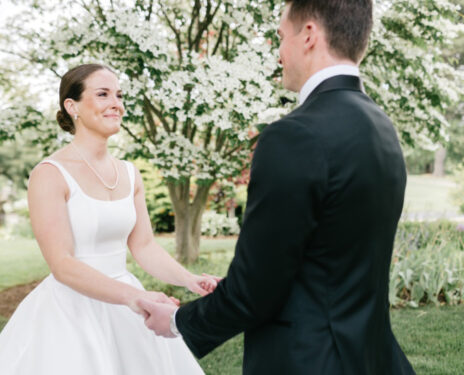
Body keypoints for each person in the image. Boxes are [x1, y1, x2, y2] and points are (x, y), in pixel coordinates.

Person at [139, 1, 416, 373]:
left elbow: (256, 291)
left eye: (280, 37)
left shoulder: (294, 135)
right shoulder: (382, 128)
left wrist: (176, 322)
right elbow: (325, 256)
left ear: (309, 36)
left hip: (307, 361)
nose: (278, 52)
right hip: (374, 359)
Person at [0, 64, 218, 374]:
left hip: (128, 306)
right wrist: (136, 297)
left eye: (118, 95)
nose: (116, 103)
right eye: (102, 94)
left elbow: (143, 246)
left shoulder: (130, 174)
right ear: (71, 106)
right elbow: (62, 264)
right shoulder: (49, 174)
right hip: (70, 311)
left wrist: (189, 279)